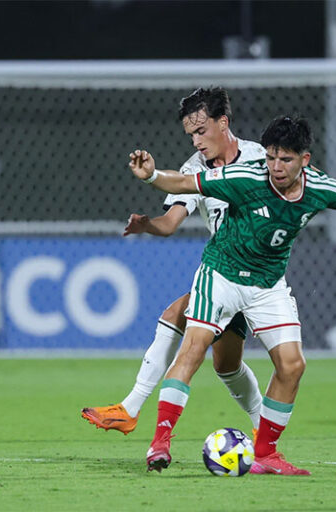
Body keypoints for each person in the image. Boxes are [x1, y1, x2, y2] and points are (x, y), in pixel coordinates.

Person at [129, 115, 336, 475]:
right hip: (221, 273)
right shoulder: (245, 177)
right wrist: (151, 175)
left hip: (268, 285)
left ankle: (266, 453)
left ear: (305, 159)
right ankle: (160, 443)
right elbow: (184, 183)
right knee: (194, 348)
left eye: (285, 159)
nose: (275, 167)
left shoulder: (321, 187)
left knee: (292, 365)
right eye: (271, 157)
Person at [81, 87, 264, 435]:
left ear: (222, 123)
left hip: (256, 275)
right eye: (190, 134)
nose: (195, 141)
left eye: (200, 131)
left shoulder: (258, 157)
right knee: (226, 365)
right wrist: (147, 224)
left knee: (176, 316)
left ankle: (130, 408)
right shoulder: (193, 169)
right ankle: (262, 429)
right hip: (225, 273)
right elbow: (170, 223)